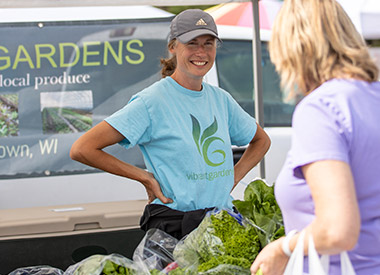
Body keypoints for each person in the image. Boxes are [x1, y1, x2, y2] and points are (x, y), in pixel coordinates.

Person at [70, 9, 270, 240]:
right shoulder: (152, 102)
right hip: (176, 229)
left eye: (208, 43)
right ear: (173, 47)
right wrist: (144, 177)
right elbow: (82, 149)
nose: (201, 52)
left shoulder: (221, 99)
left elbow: (261, 141)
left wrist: (233, 177)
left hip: (221, 224)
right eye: (192, 43)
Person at [250, 0, 380, 274]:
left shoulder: (321, 108)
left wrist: (281, 247)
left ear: (291, 46)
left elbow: (337, 231)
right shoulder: (373, 95)